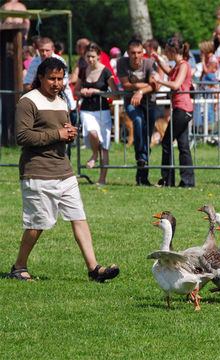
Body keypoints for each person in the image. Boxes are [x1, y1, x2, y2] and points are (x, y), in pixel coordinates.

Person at [8, 57, 119, 282]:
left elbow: (58, 131)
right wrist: (57, 134)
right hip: (38, 171)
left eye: (60, 79)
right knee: (37, 224)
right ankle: (19, 267)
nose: (56, 83)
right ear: (40, 77)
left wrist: (69, 133)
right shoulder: (28, 101)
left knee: (79, 217)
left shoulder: (60, 100)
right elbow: (22, 136)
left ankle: (94, 269)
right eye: (52, 78)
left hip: (64, 170)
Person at [152, 36, 195, 188]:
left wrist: (159, 80)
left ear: (173, 50)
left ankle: (167, 180)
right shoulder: (178, 65)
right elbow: (169, 72)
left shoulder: (183, 65)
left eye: (166, 50)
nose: (165, 53)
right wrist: (157, 60)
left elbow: (176, 84)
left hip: (182, 108)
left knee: (166, 142)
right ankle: (187, 182)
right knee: (183, 145)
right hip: (182, 108)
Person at [74, 43, 119, 185]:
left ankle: (102, 179)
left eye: (93, 56)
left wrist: (97, 92)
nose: (91, 59)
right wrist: (82, 92)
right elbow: (75, 90)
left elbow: (115, 95)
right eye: (88, 56)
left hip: (102, 110)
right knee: (92, 133)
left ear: (99, 56)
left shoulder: (106, 72)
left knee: (104, 145)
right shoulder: (83, 70)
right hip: (87, 109)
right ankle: (94, 154)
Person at [117, 38, 159, 186]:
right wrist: (144, 86)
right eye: (133, 53)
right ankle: (140, 157)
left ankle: (142, 177)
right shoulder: (121, 62)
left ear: (143, 52)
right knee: (138, 121)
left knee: (146, 139)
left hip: (150, 103)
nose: (136, 56)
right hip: (131, 103)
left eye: (139, 53)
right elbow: (125, 85)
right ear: (128, 53)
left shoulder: (149, 63)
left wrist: (140, 91)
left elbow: (156, 85)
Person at [23, 37, 76, 113]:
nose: (44, 53)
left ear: (53, 49)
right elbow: (26, 84)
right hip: (41, 103)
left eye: (47, 50)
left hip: (64, 101)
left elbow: (63, 85)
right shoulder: (34, 62)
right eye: (41, 50)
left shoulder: (60, 61)